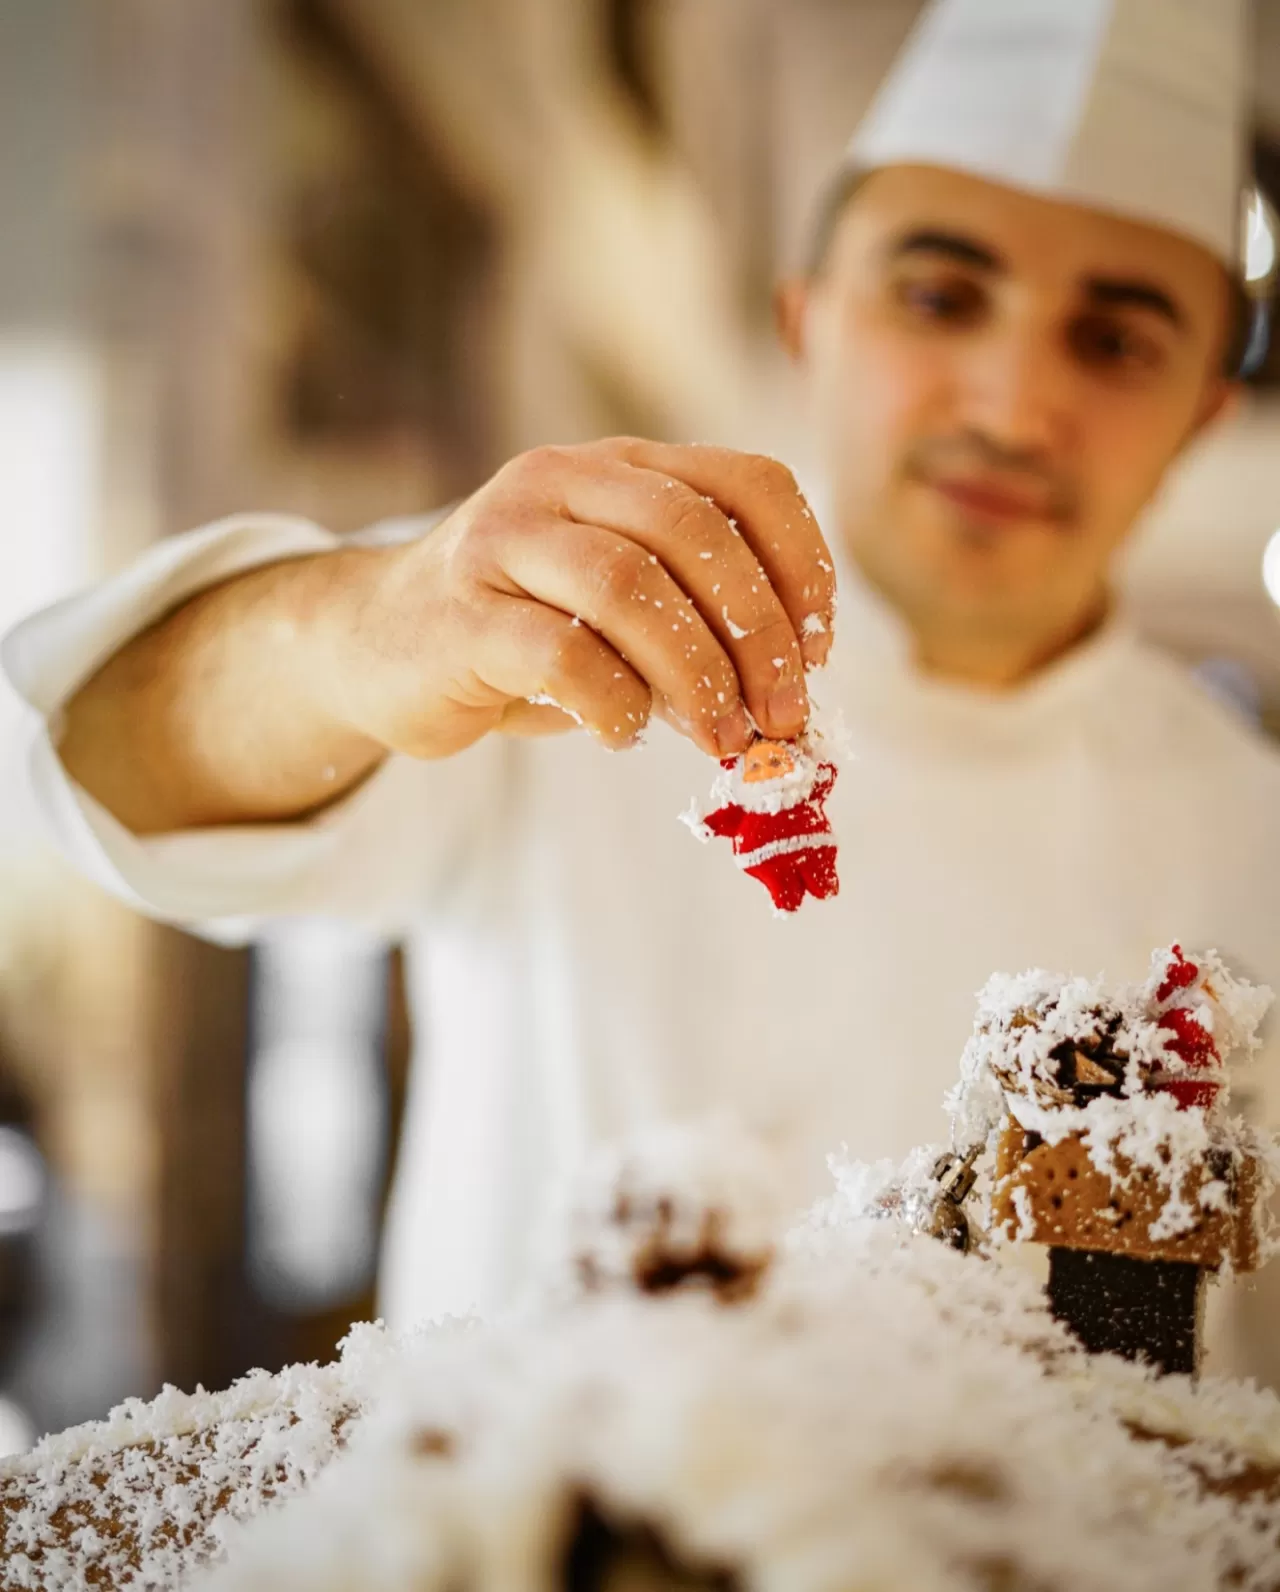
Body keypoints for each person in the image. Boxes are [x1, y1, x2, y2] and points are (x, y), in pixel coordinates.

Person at [5, 0, 1280, 1373]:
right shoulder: (571, 631)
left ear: (1203, 413)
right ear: (810, 321)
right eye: (938, 294)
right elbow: (104, 759)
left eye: (1116, 339)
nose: (1011, 402)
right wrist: (365, 628)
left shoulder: (1248, 830)